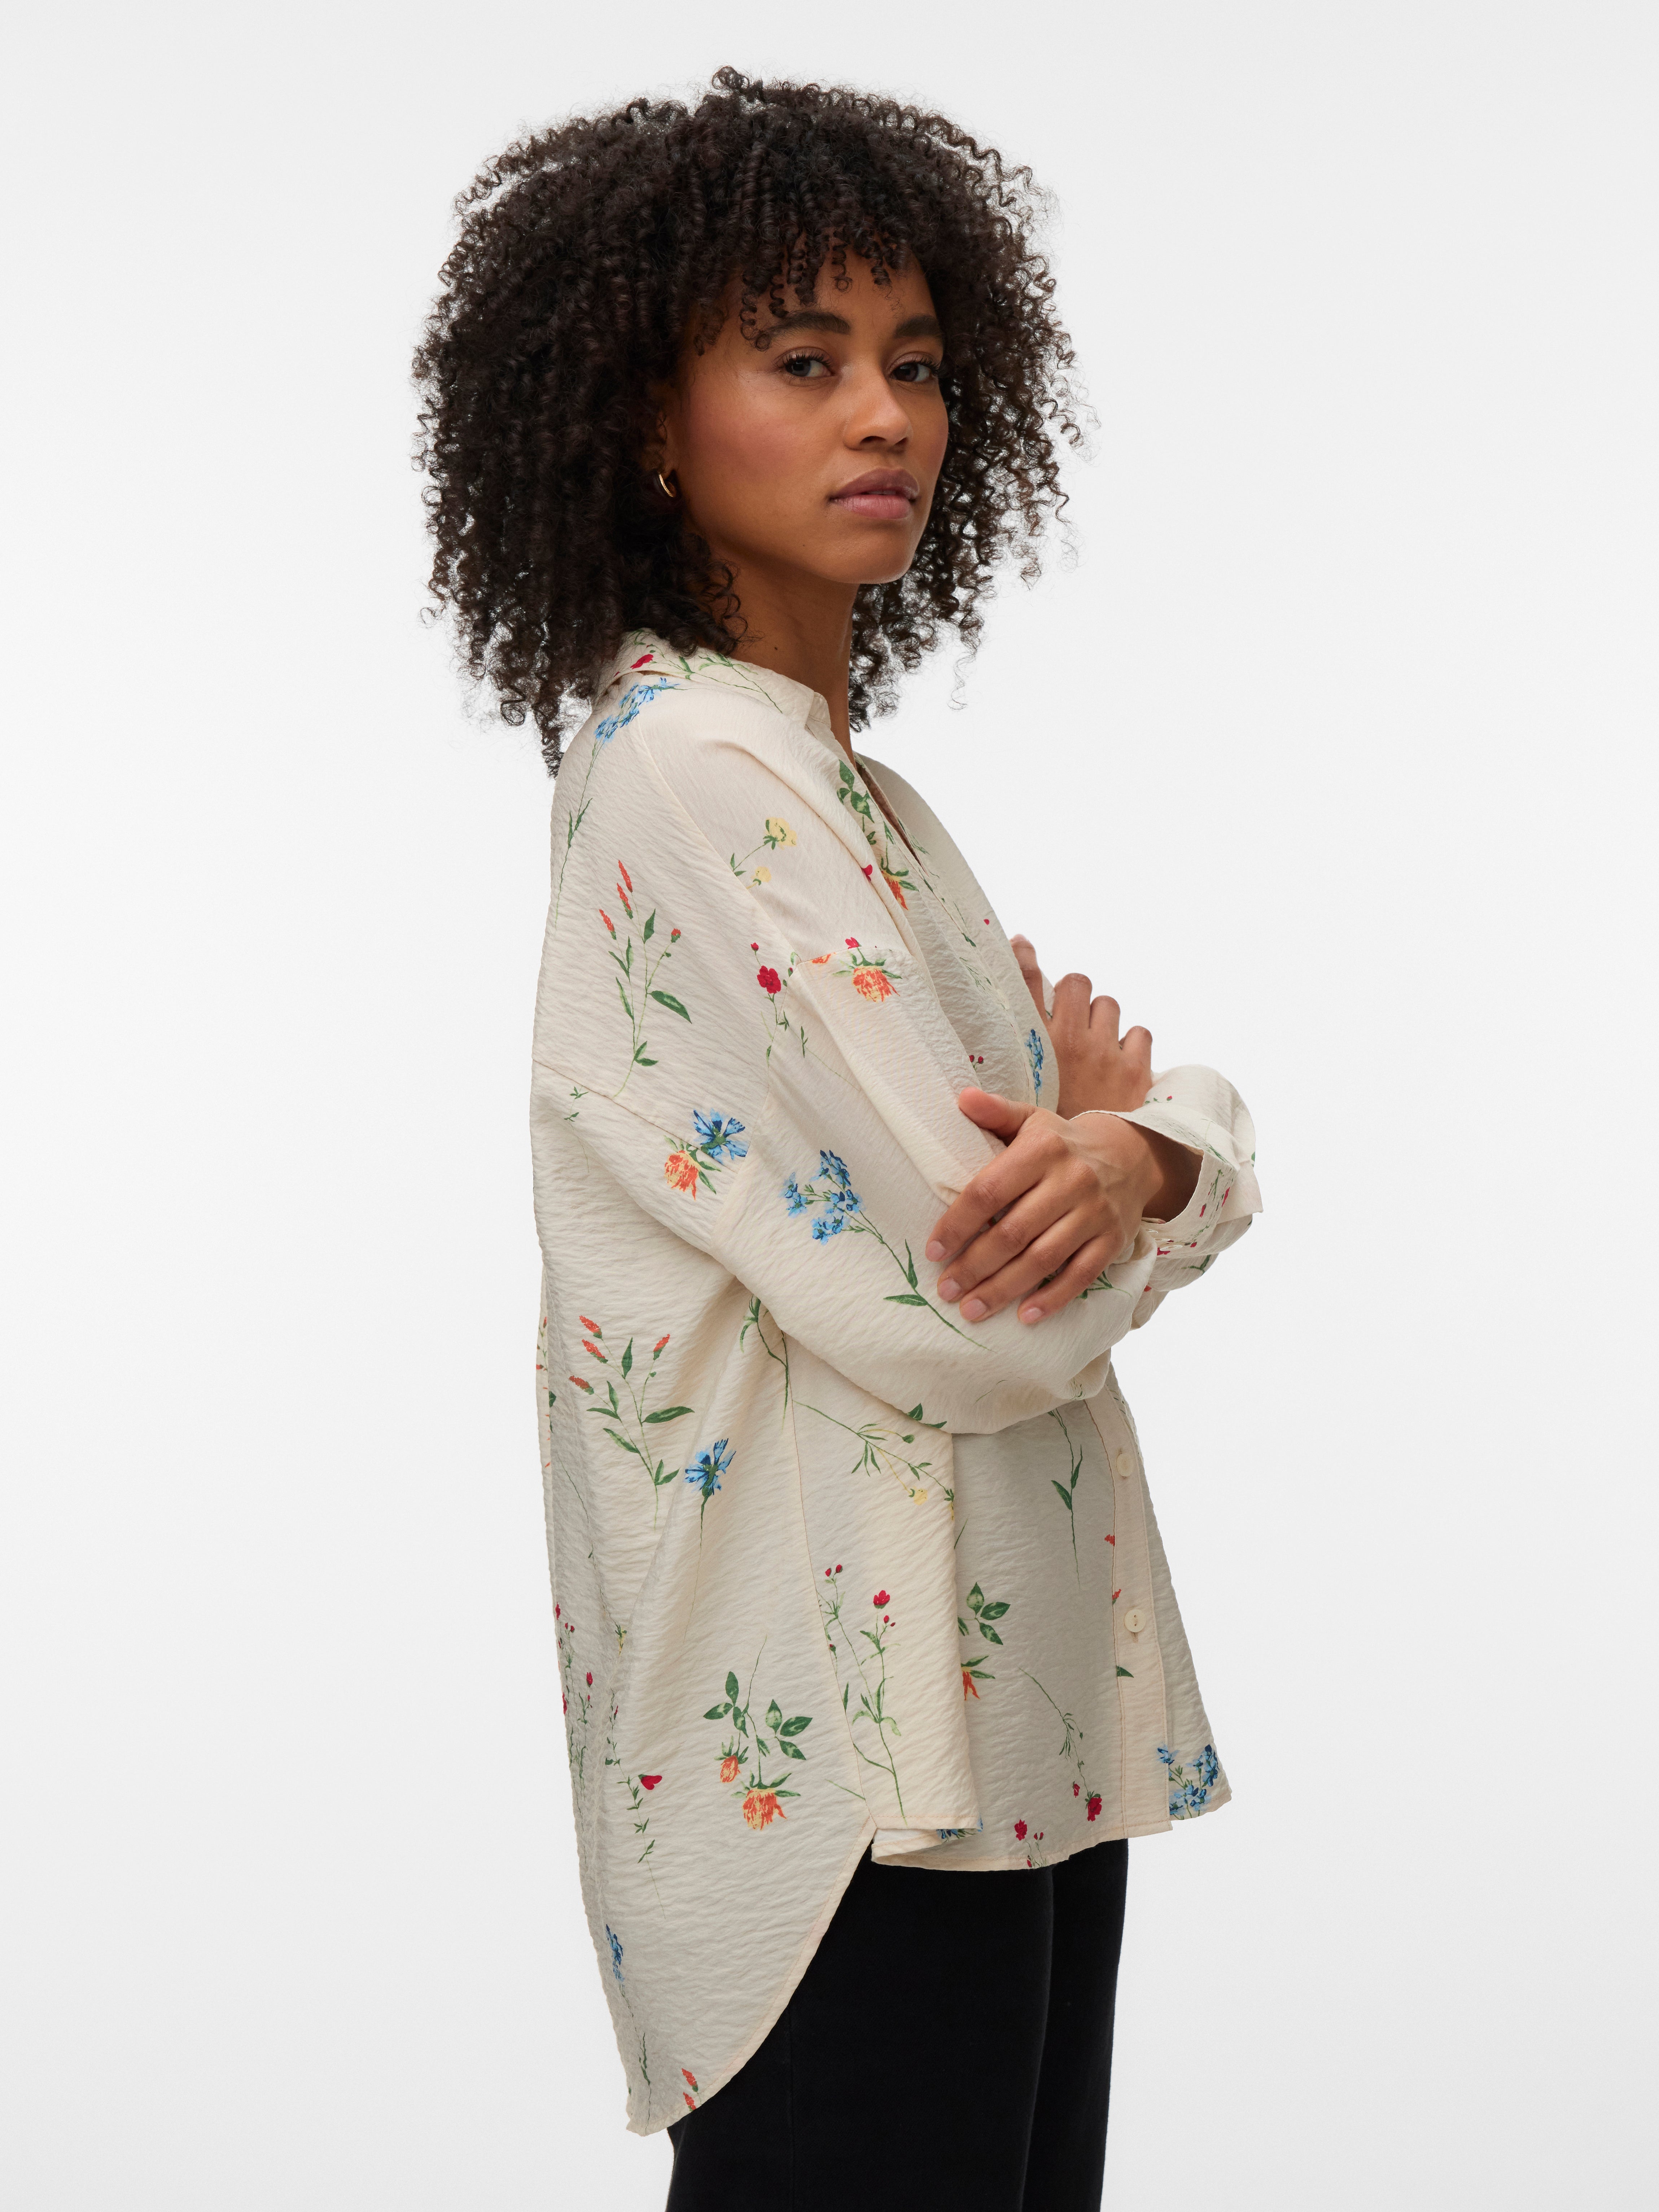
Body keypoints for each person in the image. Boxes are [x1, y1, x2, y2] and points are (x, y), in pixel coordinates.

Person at [415, 68, 1260, 2208]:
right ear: (649, 415)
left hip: (999, 1729)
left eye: (917, 362)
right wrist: (1154, 1151)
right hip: (845, 1779)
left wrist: (1142, 1151)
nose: (886, 414)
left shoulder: (859, 799)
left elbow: (1042, 1218)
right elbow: (988, 1305)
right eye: (803, 362)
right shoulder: (698, 772)